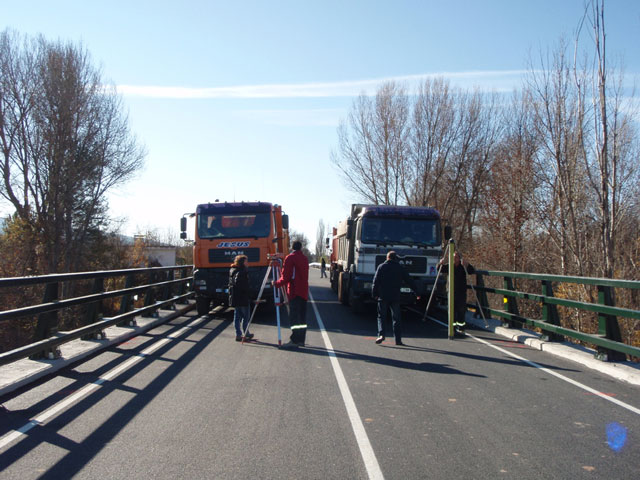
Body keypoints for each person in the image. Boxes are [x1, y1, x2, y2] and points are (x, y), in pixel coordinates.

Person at [372, 251, 416, 346]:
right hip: (395, 296)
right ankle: (398, 340)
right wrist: (417, 292)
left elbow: (375, 281)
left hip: (383, 296)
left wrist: (374, 293)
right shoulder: (400, 268)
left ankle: (381, 335)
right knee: (396, 318)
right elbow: (409, 280)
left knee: (381, 317)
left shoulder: (381, 267)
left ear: (387, 258)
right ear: (396, 258)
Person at [274, 240, 309, 349]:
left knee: (294, 318)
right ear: (301, 247)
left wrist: (276, 284)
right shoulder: (305, 258)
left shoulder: (290, 258)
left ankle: (294, 340)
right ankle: (301, 340)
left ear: (292, 247)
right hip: (303, 291)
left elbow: (286, 277)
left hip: (294, 291)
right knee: (302, 318)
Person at [438, 251, 475, 337]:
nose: (455, 259)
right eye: (453, 257)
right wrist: (440, 263)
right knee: (452, 310)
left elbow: (471, 271)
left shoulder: (462, 267)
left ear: (459, 258)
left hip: (461, 291)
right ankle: (453, 328)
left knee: (461, 309)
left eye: (456, 257)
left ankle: (461, 327)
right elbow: (440, 269)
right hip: (451, 291)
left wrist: (467, 264)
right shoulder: (449, 266)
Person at [229, 255, 254, 342]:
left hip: (236, 297)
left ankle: (238, 334)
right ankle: (246, 333)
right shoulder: (243, 272)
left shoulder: (233, 270)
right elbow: (243, 286)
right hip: (243, 297)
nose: (248, 263)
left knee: (237, 316)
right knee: (245, 316)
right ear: (243, 262)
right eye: (246, 261)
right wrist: (249, 293)